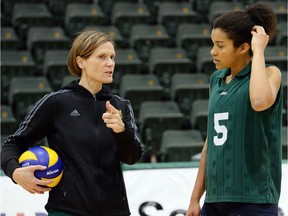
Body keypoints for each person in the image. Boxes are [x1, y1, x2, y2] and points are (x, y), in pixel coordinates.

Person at [1, 30, 144, 216]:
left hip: (115, 211)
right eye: (101, 57)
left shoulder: (120, 106)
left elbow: (133, 156)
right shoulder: (56, 103)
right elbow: (12, 144)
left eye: (112, 57)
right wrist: (15, 172)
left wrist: (121, 130)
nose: (110, 63)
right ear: (80, 62)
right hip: (67, 210)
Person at [186, 3, 283, 216]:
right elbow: (209, 143)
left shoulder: (270, 74)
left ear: (242, 47)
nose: (213, 51)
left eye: (220, 45)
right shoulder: (216, 80)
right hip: (214, 199)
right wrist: (195, 199)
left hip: (254, 199)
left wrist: (258, 51)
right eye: (213, 44)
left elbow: (259, 101)